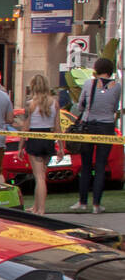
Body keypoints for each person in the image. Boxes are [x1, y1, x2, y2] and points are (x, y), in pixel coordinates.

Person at [69, 57, 122, 214]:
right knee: (100, 165)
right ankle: (97, 205)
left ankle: (82, 202)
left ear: (97, 69)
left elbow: (80, 105)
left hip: (89, 125)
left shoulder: (89, 84)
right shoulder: (117, 87)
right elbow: (114, 107)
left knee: (86, 165)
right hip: (106, 127)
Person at [18, 74, 62, 217]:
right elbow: (58, 126)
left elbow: (26, 127)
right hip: (48, 139)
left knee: (39, 177)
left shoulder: (30, 103)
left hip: (35, 139)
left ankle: (40, 209)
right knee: (41, 174)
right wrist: (61, 147)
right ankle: (36, 206)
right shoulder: (54, 103)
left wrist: (20, 146)